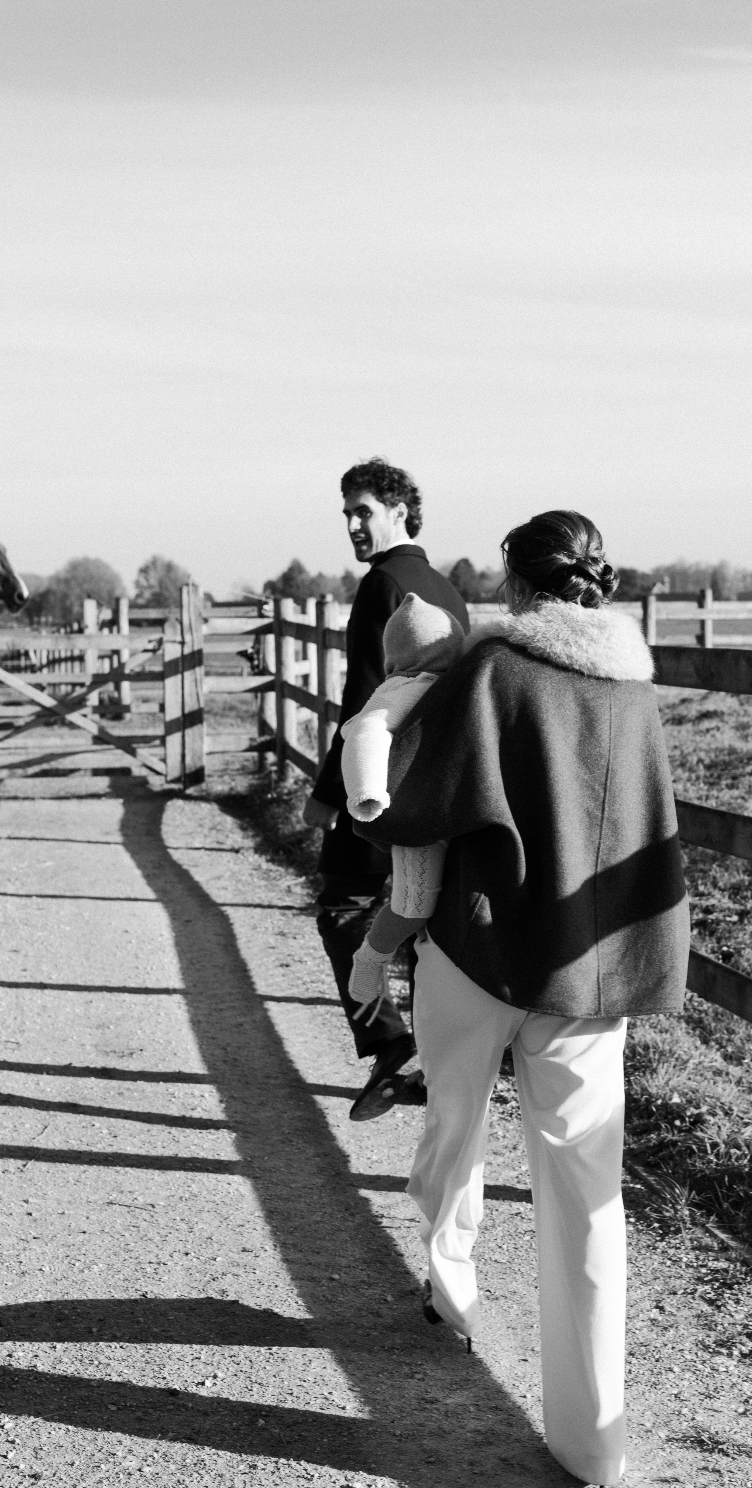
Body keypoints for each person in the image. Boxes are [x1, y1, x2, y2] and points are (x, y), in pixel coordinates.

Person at [357, 510, 690, 1486]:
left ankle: (452, 1287)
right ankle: (593, 1444)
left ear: (516, 581)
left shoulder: (492, 670)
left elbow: (421, 801)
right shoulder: (632, 689)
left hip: (477, 944)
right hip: (586, 969)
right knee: (587, 1192)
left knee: (451, 1130)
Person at [302, 458, 470, 1120]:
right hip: (447, 788)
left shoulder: (384, 587)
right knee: (426, 918)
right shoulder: (447, 588)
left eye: (363, 510)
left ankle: (390, 1042)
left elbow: (364, 701)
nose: (351, 524)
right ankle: (439, 1052)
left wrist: (328, 792)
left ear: (400, 511)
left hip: (385, 785)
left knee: (343, 906)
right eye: (346, 513)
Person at [341, 592, 466, 1034]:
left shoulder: (435, 685)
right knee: (414, 904)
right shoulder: (411, 689)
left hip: (430, 812)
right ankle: (371, 958)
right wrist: (367, 793)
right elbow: (365, 733)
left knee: (429, 898)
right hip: (410, 817)